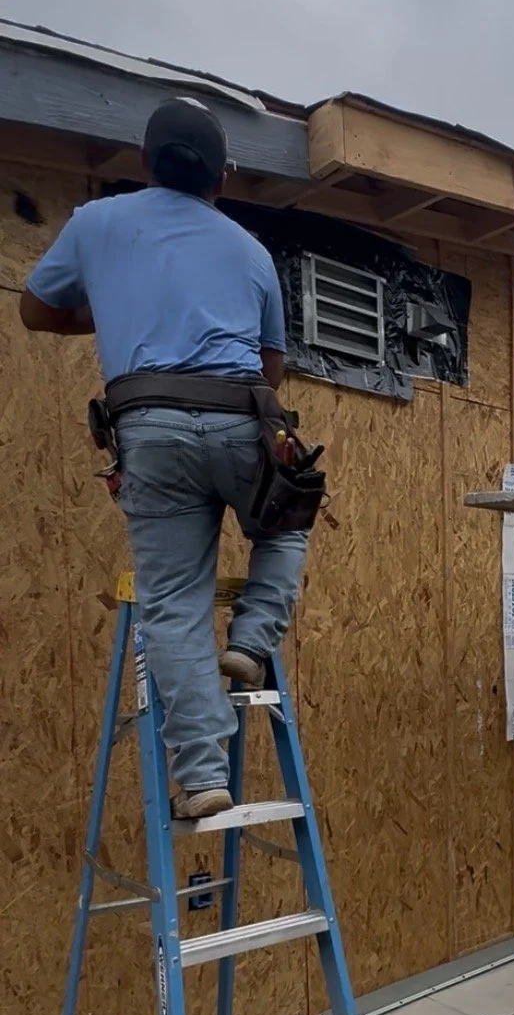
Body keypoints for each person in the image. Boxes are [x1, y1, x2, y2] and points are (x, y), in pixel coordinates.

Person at [21, 95, 310, 820]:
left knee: (175, 605)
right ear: (223, 179)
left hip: (148, 429)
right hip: (243, 418)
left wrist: (113, 310)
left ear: (146, 163)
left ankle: (205, 776)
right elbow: (271, 366)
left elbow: (36, 309)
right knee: (286, 520)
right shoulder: (249, 249)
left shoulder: (97, 224)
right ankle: (251, 638)